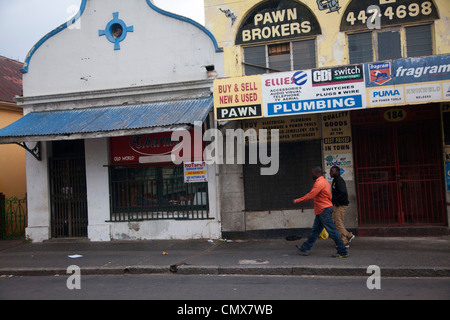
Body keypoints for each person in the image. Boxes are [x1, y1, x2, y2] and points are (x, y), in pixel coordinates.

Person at [292, 167, 348, 258]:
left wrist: (296, 201)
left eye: (312, 173)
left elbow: (311, 195)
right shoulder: (325, 182)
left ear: (316, 173)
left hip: (324, 210)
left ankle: (343, 251)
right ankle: (305, 248)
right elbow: (328, 196)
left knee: (332, 231)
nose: (311, 175)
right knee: (315, 231)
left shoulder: (319, 183)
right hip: (322, 210)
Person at [330, 166, 355, 247]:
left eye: (332, 171)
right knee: (337, 223)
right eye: (330, 171)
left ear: (337, 172)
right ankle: (344, 240)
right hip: (337, 205)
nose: (331, 173)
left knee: (338, 222)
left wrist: (336, 201)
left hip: (340, 205)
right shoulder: (335, 180)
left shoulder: (339, 180)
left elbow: (343, 193)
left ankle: (348, 236)